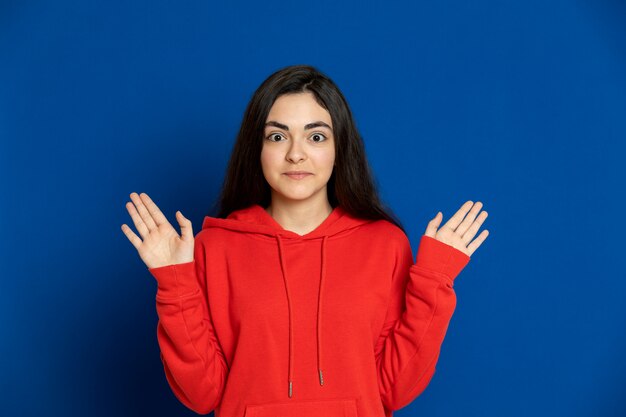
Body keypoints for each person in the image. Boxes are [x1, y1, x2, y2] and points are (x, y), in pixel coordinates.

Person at [121, 64, 489, 417]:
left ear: (339, 148)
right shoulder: (214, 248)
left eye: (316, 136)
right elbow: (202, 395)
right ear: (257, 149)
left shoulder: (385, 245)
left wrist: (434, 280)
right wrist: (175, 283)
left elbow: (395, 388)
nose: (296, 153)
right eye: (277, 136)